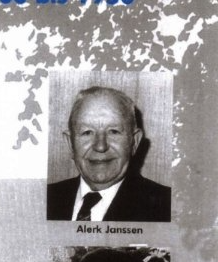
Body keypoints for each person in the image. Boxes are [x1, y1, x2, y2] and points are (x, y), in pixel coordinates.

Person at [47, 86, 171, 221]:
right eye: (87, 132)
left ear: (134, 142)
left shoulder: (165, 207)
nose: (100, 146)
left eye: (113, 132)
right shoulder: (46, 199)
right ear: (70, 143)